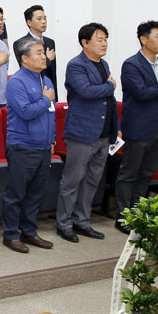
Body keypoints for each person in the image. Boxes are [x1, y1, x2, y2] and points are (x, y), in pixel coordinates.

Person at [55, 23, 116, 243]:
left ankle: (82, 221)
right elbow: (86, 91)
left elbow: (108, 101)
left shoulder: (104, 64)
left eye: (105, 39)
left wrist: (115, 129)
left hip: (103, 133)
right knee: (72, 181)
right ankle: (64, 224)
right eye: (99, 39)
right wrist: (110, 86)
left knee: (91, 182)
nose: (104, 43)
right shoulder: (76, 65)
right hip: (81, 133)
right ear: (85, 42)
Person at [1, 37, 57, 254]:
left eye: (43, 52)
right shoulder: (16, 82)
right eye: (38, 53)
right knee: (16, 193)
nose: (44, 57)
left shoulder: (46, 81)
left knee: (36, 193)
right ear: (25, 58)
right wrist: (45, 100)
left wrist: (52, 139)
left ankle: (29, 231)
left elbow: (51, 115)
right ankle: (10, 235)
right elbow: (25, 112)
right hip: (23, 146)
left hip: (43, 147)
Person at [114, 20, 158, 226]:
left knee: (147, 173)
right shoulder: (132, 64)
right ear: (144, 39)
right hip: (139, 128)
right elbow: (141, 93)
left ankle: (138, 214)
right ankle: (123, 217)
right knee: (129, 173)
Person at [17, 5, 58, 92]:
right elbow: (27, 68)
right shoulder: (20, 43)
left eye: (45, 18)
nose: (43, 22)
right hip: (31, 89)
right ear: (29, 22)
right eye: (39, 19)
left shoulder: (50, 42)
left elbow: (53, 73)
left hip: (49, 88)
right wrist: (48, 59)